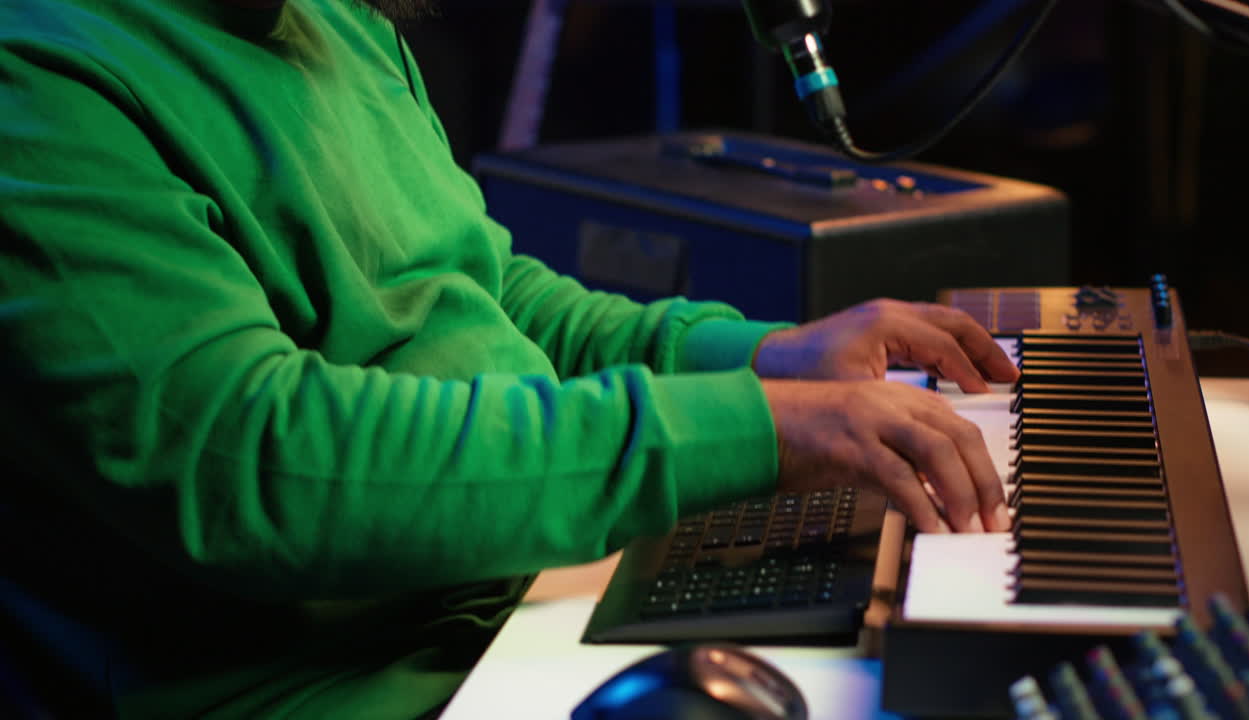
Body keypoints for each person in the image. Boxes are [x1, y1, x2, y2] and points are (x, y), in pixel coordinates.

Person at [0, 0, 1018, 717]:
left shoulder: (330, 19)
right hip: (346, 689)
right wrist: (752, 430)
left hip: (517, 597)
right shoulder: (38, 77)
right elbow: (252, 463)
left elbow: (490, 295)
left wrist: (766, 360)